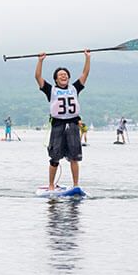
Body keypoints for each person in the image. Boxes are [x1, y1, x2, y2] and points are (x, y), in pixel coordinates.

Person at [35, 49, 90, 191]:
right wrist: (40, 61)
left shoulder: (74, 88)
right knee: (54, 158)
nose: (63, 76)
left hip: (72, 124)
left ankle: (76, 185)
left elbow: (85, 74)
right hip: (58, 125)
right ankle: (51, 185)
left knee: (74, 157)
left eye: (65, 75)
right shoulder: (50, 90)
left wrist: (87, 58)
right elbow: (38, 77)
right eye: (60, 75)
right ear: (56, 79)